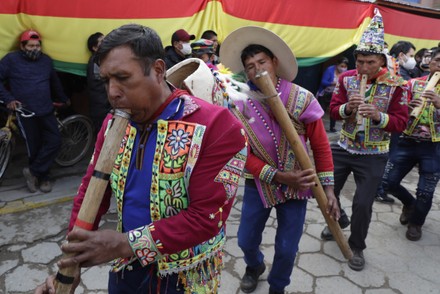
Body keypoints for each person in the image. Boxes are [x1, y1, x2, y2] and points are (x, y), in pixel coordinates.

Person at [35, 24, 247, 294]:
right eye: (106, 80)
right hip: (127, 271)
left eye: (123, 77)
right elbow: (91, 192)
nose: (112, 92)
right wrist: (68, 267)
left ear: (158, 70)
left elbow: (206, 218)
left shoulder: (218, 125)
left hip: (187, 277)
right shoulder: (112, 124)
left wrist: (125, 244)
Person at [220, 26, 340, 294]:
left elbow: (320, 147)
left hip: (298, 186)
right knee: (245, 240)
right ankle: (255, 266)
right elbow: (239, 153)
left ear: (274, 62)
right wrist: (276, 175)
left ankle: (278, 287)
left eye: (262, 61)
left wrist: (328, 189)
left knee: (287, 248)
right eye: (249, 66)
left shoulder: (301, 98)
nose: (257, 69)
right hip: (258, 183)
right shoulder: (238, 103)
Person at [321, 9, 408, 271]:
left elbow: (400, 123)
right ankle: (338, 221)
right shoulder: (346, 79)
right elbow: (332, 110)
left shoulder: (396, 84)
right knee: (327, 193)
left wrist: (379, 117)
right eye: (359, 61)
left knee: (363, 202)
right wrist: (348, 109)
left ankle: (357, 246)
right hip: (344, 146)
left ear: (382, 60)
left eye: (370, 62)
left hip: (374, 153)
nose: (363, 68)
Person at [382, 47, 440, 241]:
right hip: (406, 141)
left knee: (425, 191)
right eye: (437, 60)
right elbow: (394, 110)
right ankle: (409, 203)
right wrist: (407, 107)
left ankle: (416, 222)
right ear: (429, 62)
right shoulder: (412, 84)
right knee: (388, 182)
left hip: (434, 147)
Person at [0, 29, 69, 193]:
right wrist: (9, 99)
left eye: (37, 45)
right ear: (22, 46)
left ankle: (33, 171)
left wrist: (63, 98)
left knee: (55, 141)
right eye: (31, 46)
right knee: (35, 146)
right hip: (25, 112)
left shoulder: (45, 61)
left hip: (45, 109)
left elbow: (54, 81)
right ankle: (43, 178)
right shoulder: (11, 60)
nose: (35, 49)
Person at [86, 32, 112, 133]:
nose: (106, 42)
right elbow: (99, 84)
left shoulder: (102, 60)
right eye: (102, 41)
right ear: (94, 48)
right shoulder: (95, 62)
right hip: (101, 108)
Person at [317, 56, 349, 132]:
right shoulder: (330, 70)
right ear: (337, 65)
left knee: (333, 110)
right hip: (325, 93)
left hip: (335, 94)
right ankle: (318, 128)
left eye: (345, 66)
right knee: (321, 110)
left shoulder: (346, 73)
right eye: (341, 66)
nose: (343, 68)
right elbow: (323, 82)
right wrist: (333, 83)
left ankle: (332, 127)